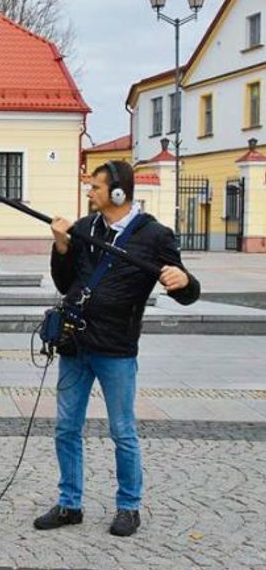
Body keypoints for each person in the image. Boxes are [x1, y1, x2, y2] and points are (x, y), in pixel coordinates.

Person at [35, 160, 200, 537]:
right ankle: (69, 504)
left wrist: (184, 280)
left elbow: (188, 293)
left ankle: (129, 506)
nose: (89, 192)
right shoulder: (84, 228)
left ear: (119, 192)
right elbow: (65, 284)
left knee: (122, 431)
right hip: (75, 343)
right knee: (66, 428)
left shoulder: (154, 236)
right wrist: (61, 246)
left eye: (96, 186)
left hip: (116, 347)